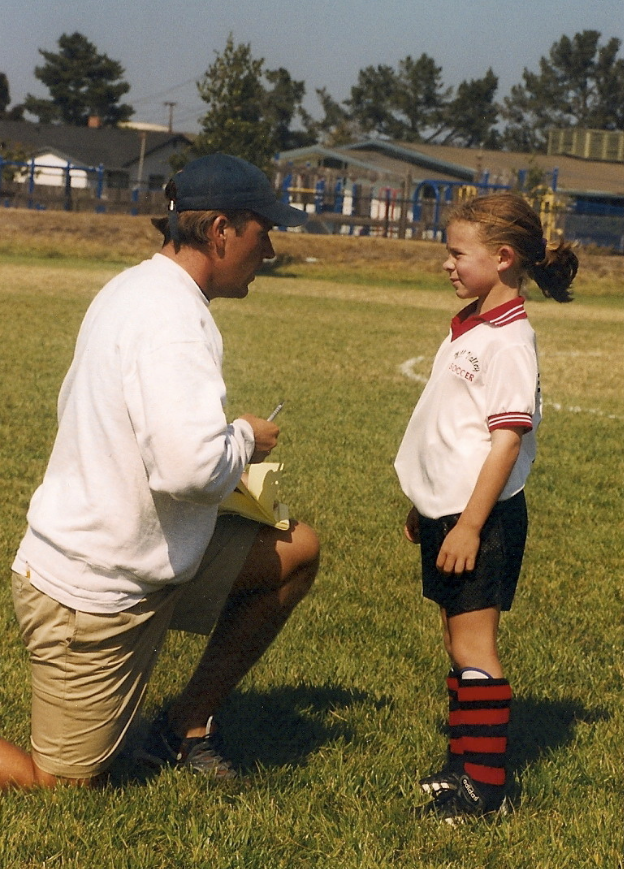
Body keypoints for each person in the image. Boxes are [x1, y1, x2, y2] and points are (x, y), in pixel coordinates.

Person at [4, 153, 320, 789]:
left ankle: (185, 726)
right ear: (222, 230)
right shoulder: (172, 320)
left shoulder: (138, 286)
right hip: (94, 592)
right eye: (266, 229)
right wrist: (243, 437)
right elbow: (189, 471)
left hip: (144, 562)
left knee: (297, 550)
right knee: (61, 783)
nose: (272, 247)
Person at [394, 192, 578, 824]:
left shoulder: (509, 340)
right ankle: (462, 765)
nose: (446, 264)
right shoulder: (474, 322)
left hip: (484, 518)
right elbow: (452, 428)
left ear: (502, 258)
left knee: (476, 645)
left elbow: (506, 439)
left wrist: (470, 523)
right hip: (451, 513)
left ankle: (484, 787)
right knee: (456, 638)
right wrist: (428, 502)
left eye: (456, 253)